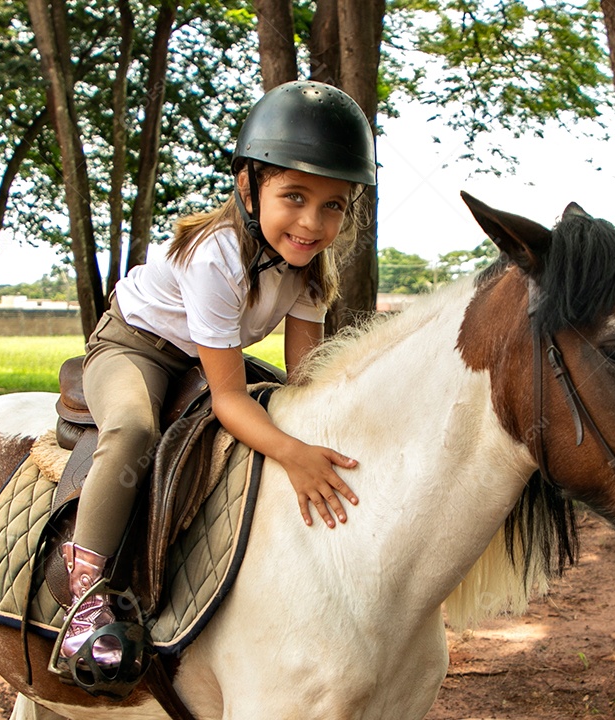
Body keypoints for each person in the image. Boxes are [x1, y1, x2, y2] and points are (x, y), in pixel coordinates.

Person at [56, 80, 377, 673]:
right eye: (296, 197)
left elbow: (304, 380)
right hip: (138, 347)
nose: (312, 222)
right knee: (132, 431)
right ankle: (85, 596)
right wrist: (294, 454)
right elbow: (229, 397)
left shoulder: (306, 266)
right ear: (249, 187)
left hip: (205, 355)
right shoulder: (217, 256)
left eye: (333, 204)